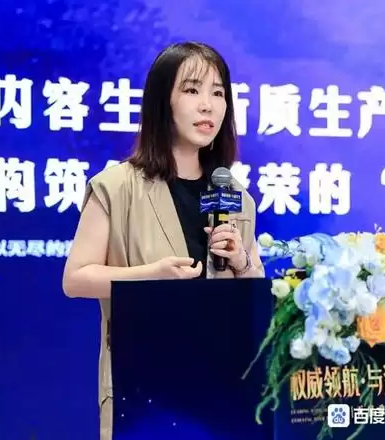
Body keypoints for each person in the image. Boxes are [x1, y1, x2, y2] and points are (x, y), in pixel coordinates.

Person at [62, 41, 265, 440]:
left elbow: (254, 308)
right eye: (192, 90)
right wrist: (151, 276)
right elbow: (76, 279)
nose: (208, 106)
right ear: (162, 102)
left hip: (223, 392)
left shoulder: (235, 197)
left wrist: (243, 264)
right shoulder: (116, 187)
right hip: (146, 394)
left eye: (218, 93)